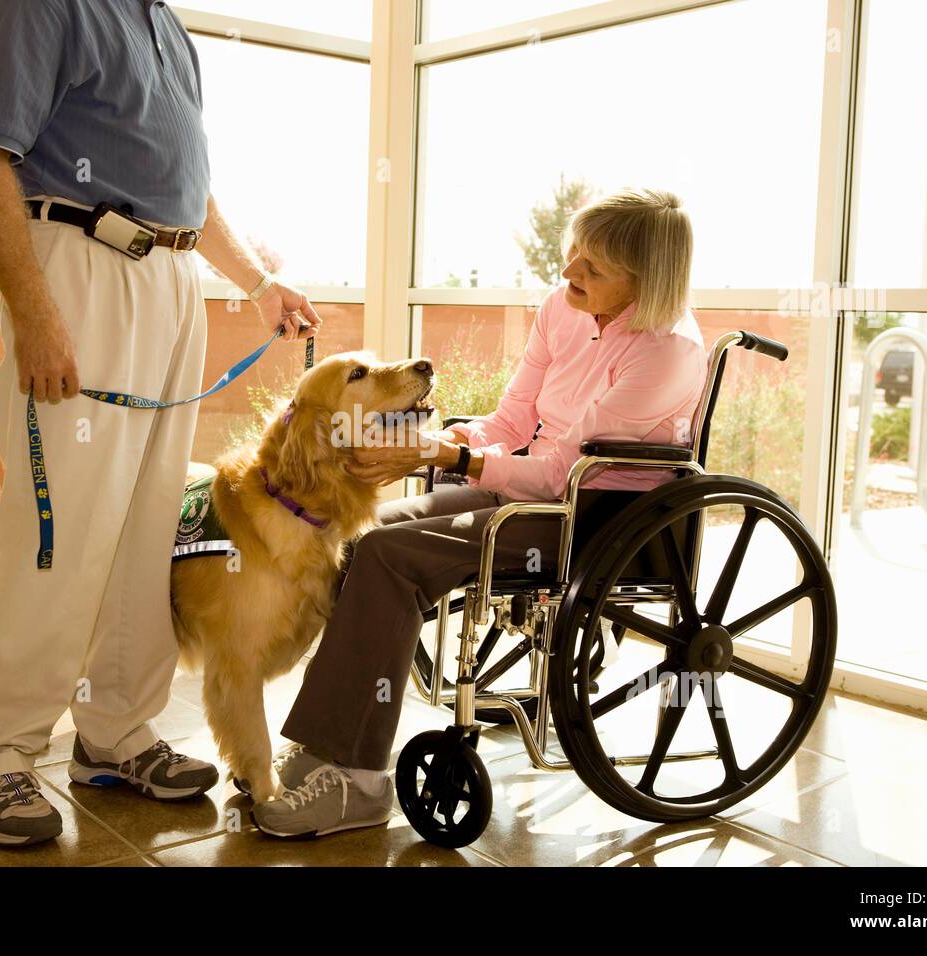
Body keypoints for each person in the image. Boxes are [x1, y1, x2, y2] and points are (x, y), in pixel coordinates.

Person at [0, 0, 320, 846]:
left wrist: (256, 283)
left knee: (151, 527)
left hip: (170, 277)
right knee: (61, 527)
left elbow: (188, 186)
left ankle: (116, 730)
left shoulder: (165, 23)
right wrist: (36, 313)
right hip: (79, 269)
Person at [252, 188, 706, 838]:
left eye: (593, 268)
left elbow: (559, 477)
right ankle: (328, 743)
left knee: (388, 557)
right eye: (573, 253)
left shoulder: (666, 351)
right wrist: (457, 444)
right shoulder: (563, 309)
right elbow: (515, 419)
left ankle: (358, 783)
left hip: (595, 520)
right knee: (363, 535)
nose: (569, 273)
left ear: (647, 281)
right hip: (530, 494)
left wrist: (447, 458)